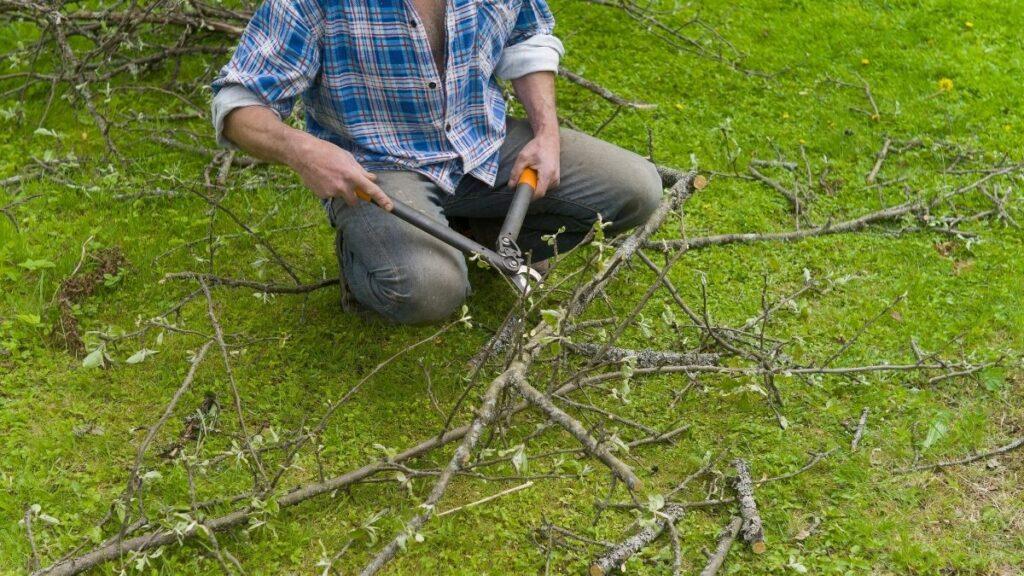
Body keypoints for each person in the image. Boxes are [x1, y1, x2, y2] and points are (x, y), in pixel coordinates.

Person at [212, 0, 662, 325]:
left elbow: (528, 35)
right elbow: (237, 103)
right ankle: (364, 256)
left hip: (482, 144)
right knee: (429, 291)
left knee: (636, 189)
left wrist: (545, 133)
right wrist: (304, 151)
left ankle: (472, 236)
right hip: (378, 170)